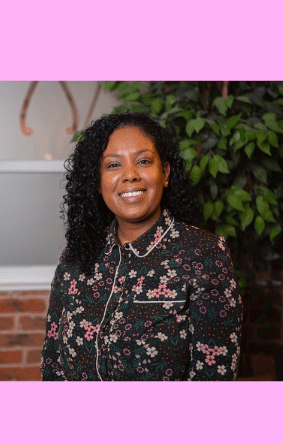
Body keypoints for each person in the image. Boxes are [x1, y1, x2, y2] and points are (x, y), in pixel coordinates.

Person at [41, 112, 242, 381]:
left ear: (165, 173)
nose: (130, 176)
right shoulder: (75, 257)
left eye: (143, 161)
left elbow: (213, 380)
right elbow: (52, 362)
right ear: (97, 182)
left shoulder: (205, 255)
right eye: (113, 165)